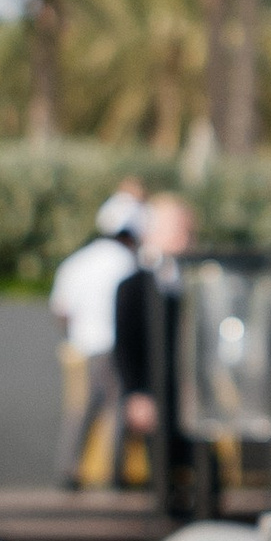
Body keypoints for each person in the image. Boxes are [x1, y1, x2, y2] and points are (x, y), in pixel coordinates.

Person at [113, 191, 199, 516]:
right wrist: (135, 393)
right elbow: (125, 345)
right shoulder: (133, 287)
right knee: (163, 479)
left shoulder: (195, 283)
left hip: (191, 397)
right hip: (154, 393)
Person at [49, 194, 142, 486]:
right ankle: (115, 475)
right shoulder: (127, 263)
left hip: (84, 348)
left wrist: (74, 338)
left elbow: (61, 309)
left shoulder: (79, 261)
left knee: (84, 408)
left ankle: (69, 469)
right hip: (115, 346)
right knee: (116, 408)